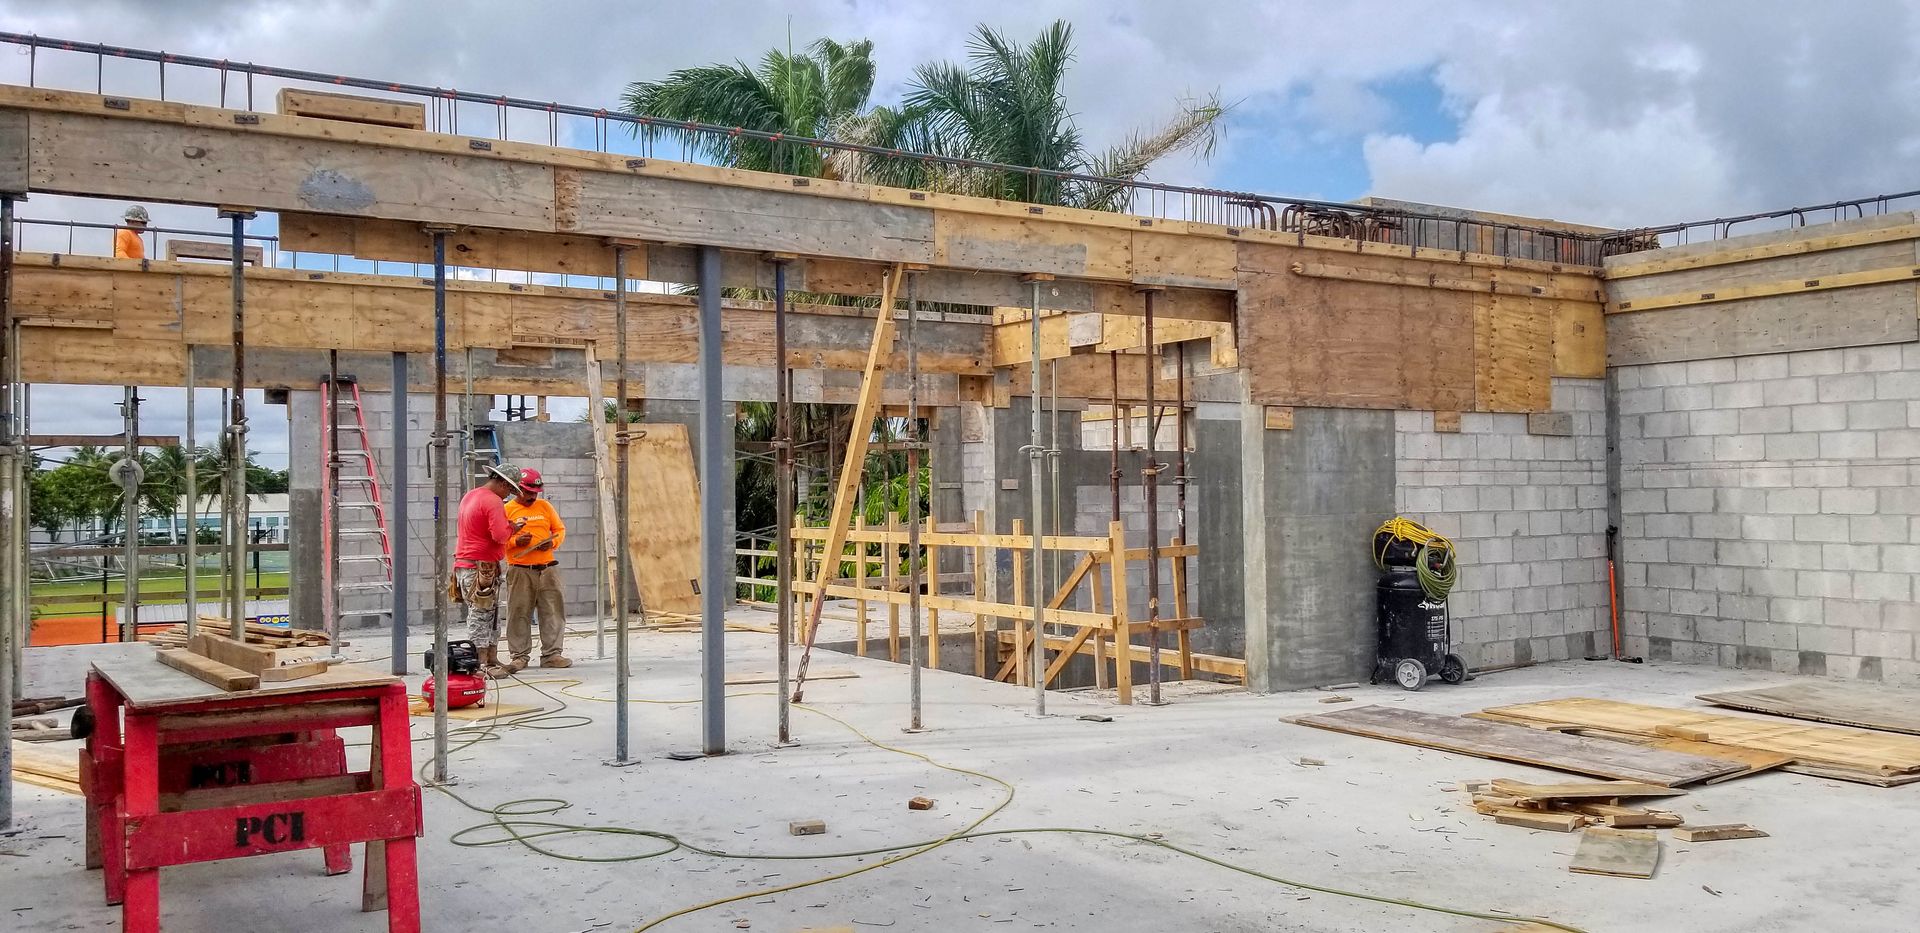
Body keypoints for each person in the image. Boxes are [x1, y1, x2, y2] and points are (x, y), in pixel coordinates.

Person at [452, 462, 521, 676]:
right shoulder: (493, 501)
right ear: (502, 483)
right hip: (480, 567)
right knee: (481, 615)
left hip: (468, 564)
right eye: (509, 489)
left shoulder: (471, 495)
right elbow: (500, 535)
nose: (508, 494)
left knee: (489, 613)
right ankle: (478, 665)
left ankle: (491, 659)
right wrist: (512, 528)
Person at [503, 467, 572, 671]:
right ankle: (519, 656)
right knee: (518, 613)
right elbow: (497, 540)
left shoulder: (544, 507)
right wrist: (516, 541)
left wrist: (552, 544)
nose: (533, 497)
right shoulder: (506, 510)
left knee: (552, 612)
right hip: (520, 570)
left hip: (547, 569)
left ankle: (552, 654)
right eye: (529, 493)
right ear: (517, 490)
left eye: (535, 493)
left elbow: (559, 530)